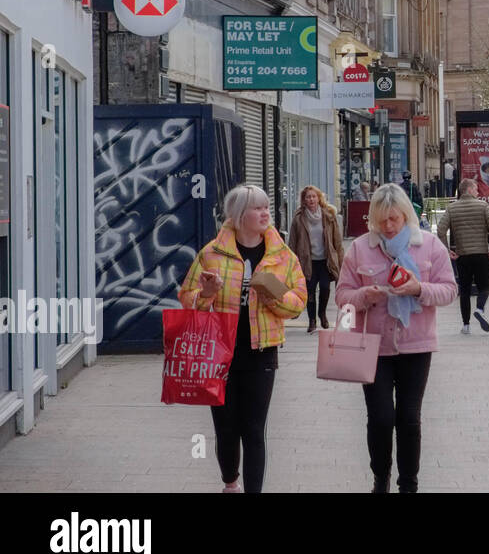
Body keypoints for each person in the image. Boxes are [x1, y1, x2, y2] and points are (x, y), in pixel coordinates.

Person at [180, 184, 306, 494]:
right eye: (257, 208)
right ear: (238, 215)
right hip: (217, 354)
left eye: (266, 207)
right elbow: (187, 298)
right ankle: (230, 482)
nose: (265, 213)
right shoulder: (211, 254)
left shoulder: (281, 256)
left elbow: (298, 302)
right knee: (226, 428)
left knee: (254, 429)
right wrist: (206, 293)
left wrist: (273, 294)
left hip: (261, 353)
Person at [336, 183, 457, 493]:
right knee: (380, 417)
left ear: (406, 215)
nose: (388, 227)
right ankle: (380, 478)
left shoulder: (429, 246)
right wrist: (365, 295)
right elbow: (342, 296)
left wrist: (419, 289)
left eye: (394, 219)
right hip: (372, 346)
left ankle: (408, 484)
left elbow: (449, 290)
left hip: (417, 344)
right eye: (381, 221)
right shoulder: (361, 248)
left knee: (408, 418)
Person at [437, 178, 489, 334]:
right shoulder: (483, 206)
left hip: (462, 255)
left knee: (464, 290)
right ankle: (479, 309)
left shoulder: (452, 208)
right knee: (484, 286)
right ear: (469, 190)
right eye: (476, 189)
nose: (478, 192)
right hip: (481, 254)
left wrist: (446, 250)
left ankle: (466, 325)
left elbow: (440, 230)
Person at [287, 185, 343, 334]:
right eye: (308, 197)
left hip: (325, 260)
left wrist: (341, 261)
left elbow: (337, 241)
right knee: (309, 291)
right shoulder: (298, 219)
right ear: (304, 201)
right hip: (307, 261)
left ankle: (322, 313)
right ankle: (312, 320)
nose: (311, 199)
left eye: (313, 196)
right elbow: (292, 242)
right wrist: (291, 263)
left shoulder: (329, 216)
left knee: (325, 287)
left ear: (319, 198)